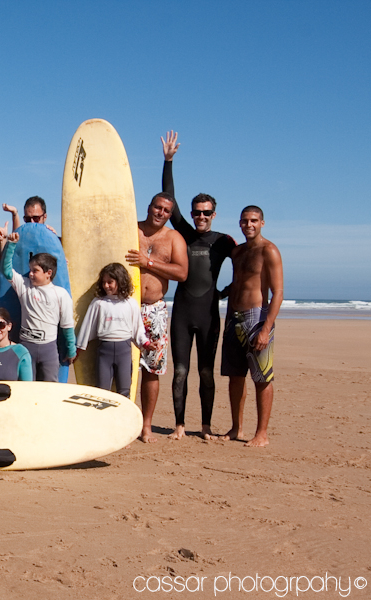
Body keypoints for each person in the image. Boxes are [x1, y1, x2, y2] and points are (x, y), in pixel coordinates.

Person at [161, 131, 237, 439]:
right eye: (197, 212)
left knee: (206, 371)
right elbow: (168, 199)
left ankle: (205, 426)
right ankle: (179, 425)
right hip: (182, 313)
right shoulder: (183, 232)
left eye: (206, 213)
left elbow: (246, 268)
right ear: (192, 214)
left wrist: (225, 292)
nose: (201, 216)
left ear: (214, 214)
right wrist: (168, 161)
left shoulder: (224, 241)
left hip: (208, 314)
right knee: (180, 371)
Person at [125, 192, 189, 443]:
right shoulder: (130, 229)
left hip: (154, 310)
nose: (160, 213)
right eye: (157, 207)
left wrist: (148, 262)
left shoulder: (173, 238)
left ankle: (146, 425)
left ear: (170, 214)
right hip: (125, 307)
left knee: (151, 368)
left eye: (166, 210)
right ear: (149, 206)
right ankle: (122, 421)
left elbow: (182, 272)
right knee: (121, 365)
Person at [219, 206, 283, 447]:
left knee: (261, 377)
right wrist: (219, 294)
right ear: (239, 223)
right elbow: (239, 282)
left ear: (262, 223)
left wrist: (266, 329)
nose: (249, 225)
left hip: (256, 318)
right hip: (233, 317)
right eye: (245, 221)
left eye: (254, 221)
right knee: (235, 377)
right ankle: (236, 428)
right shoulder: (237, 252)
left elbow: (278, 292)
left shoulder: (269, 250)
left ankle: (262, 434)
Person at [0, 228, 77, 381]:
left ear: (48, 273)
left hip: (49, 349)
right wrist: (11, 245)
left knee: (50, 388)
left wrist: (71, 350)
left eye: (35, 271)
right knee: (26, 387)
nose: (30, 274)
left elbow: (67, 326)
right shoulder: (25, 286)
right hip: (26, 346)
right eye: (30, 270)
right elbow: (6, 271)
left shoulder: (61, 294)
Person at [76, 263, 150, 398]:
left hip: (124, 351)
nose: (106, 286)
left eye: (110, 282)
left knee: (124, 391)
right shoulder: (98, 303)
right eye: (103, 282)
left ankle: (124, 413)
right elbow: (87, 327)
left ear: (120, 281)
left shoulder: (131, 303)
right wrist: (77, 349)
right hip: (104, 352)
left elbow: (138, 328)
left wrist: (146, 343)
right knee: (102, 392)